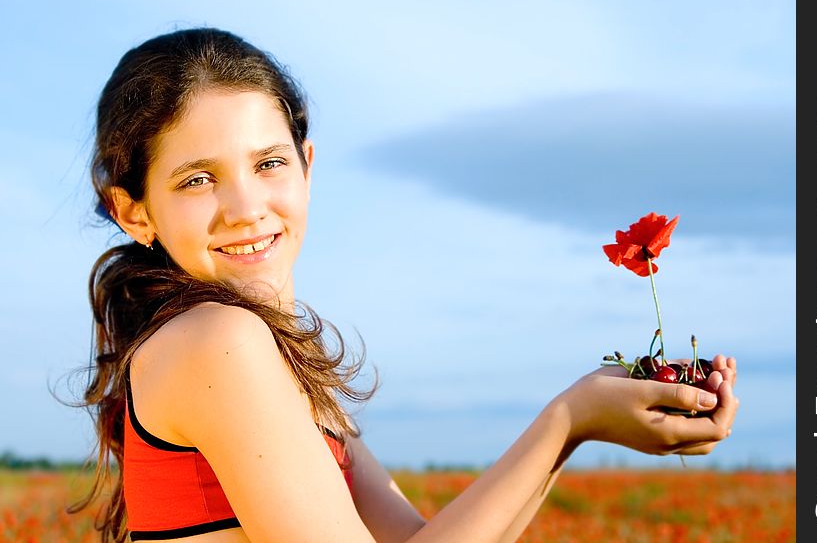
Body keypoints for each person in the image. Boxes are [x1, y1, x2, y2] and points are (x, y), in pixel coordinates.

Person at [72, 27, 738, 543]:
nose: (246, 206)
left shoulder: (276, 359)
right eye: (197, 178)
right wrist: (570, 416)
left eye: (268, 163)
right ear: (133, 210)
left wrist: (583, 419)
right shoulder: (217, 341)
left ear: (307, 166)